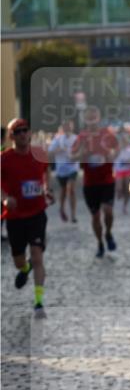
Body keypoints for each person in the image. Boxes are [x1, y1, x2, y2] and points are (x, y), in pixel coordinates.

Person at [1, 118, 53, 317]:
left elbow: (45, 173)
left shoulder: (39, 154)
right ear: (11, 136)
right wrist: (5, 198)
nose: (23, 134)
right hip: (15, 217)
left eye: (25, 130)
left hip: (37, 213)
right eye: (18, 131)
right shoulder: (4, 159)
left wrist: (47, 190)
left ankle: (39, 302)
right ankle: (25, 267)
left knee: (38, 255)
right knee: (18, 261)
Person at [71, 106, 119, 258]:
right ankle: (100, 242)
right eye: (89, 117)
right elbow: (72, 157)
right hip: (90, 183)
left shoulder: (106, 134)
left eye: (94, 116)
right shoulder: (82, 137)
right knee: (96, 216)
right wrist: (81, 153)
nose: (92, 120)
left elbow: (117, 148)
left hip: (106, 180)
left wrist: (112, 155)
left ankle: (109, 233)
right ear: (86, 119)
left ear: (99, 118)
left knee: (108, 211)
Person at [48, 119, 78, 222]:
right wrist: (59, 150)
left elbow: (81, 152)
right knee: (64, 191)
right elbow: (50, 152)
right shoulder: (57, 139)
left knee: (71, 189)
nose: (67, 128)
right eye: (65, 126)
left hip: (72, 168)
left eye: (69, 126)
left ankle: (73, 215)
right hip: (61, 169)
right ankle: (61, 209)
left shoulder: (76, 138)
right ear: (63, 128)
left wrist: (75, 155)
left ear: (72, 127)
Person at [114, 127, 130, 214]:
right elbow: (113, 158)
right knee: (119, 189)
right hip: (119, 171)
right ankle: (119, 198)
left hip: (127, 170)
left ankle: (125, 206)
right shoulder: (117, 149)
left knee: (128, 190)